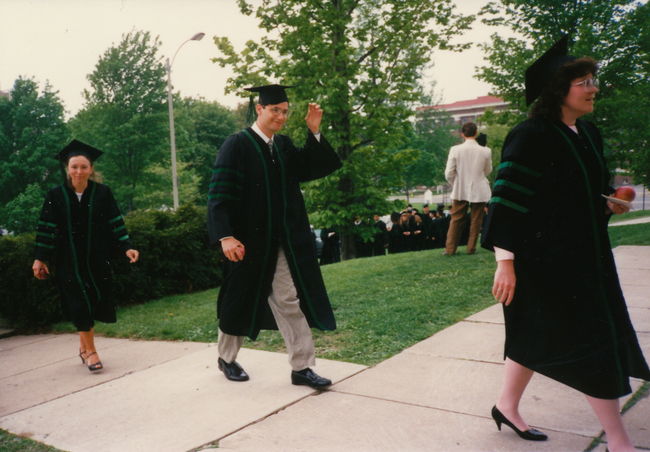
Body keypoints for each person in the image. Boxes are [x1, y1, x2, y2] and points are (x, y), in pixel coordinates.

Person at [481, 36, 650, 450]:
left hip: (587, 257)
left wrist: (611, 202)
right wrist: (506, 262)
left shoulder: (587, 133)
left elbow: (586, 193)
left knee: (535, 333)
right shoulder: (530, 135)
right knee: (590, 345)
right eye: (584, 81)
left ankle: (506, 404)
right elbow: (506, 202)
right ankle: (618, 439)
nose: (594, 87)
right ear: (558, 89)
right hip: (545, 262)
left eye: (594, 79)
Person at [207, 84, 342, 389]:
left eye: (285, 111)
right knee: (239, 300)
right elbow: (218, 195)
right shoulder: (237, 145)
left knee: (288, 298)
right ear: (259, 109)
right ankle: (226, 358)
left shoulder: (282, 146)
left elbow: (315, 166)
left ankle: (302, 367)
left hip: (282, 242)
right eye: (274, 110)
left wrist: (314, 131)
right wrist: (225, 236)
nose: (281, 116)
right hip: (246, 243)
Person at [32, 140, 139, 372]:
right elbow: (46, 228)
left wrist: (126, 246)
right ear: (67, 169)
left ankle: (83, 348)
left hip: (96, 260)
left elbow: (115, 223)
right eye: (74, 167)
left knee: (90, 303)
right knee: (79, 303)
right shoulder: (55, 195)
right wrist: (40, 258)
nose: (78, 171)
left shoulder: (103, 193)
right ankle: (91, 352)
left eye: (83, 167)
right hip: (66, 261)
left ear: (91, 169)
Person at [444, 122, 492, 255]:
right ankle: (471, 248)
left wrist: (456, 182)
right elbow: (487, 170)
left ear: (462, 134)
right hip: (479, 186)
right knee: (477, 219)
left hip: (460, 187)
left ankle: (450, 249)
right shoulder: (486, 150)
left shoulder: (455, 149)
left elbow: (449, 172)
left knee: (456, 219)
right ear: (476, 133)